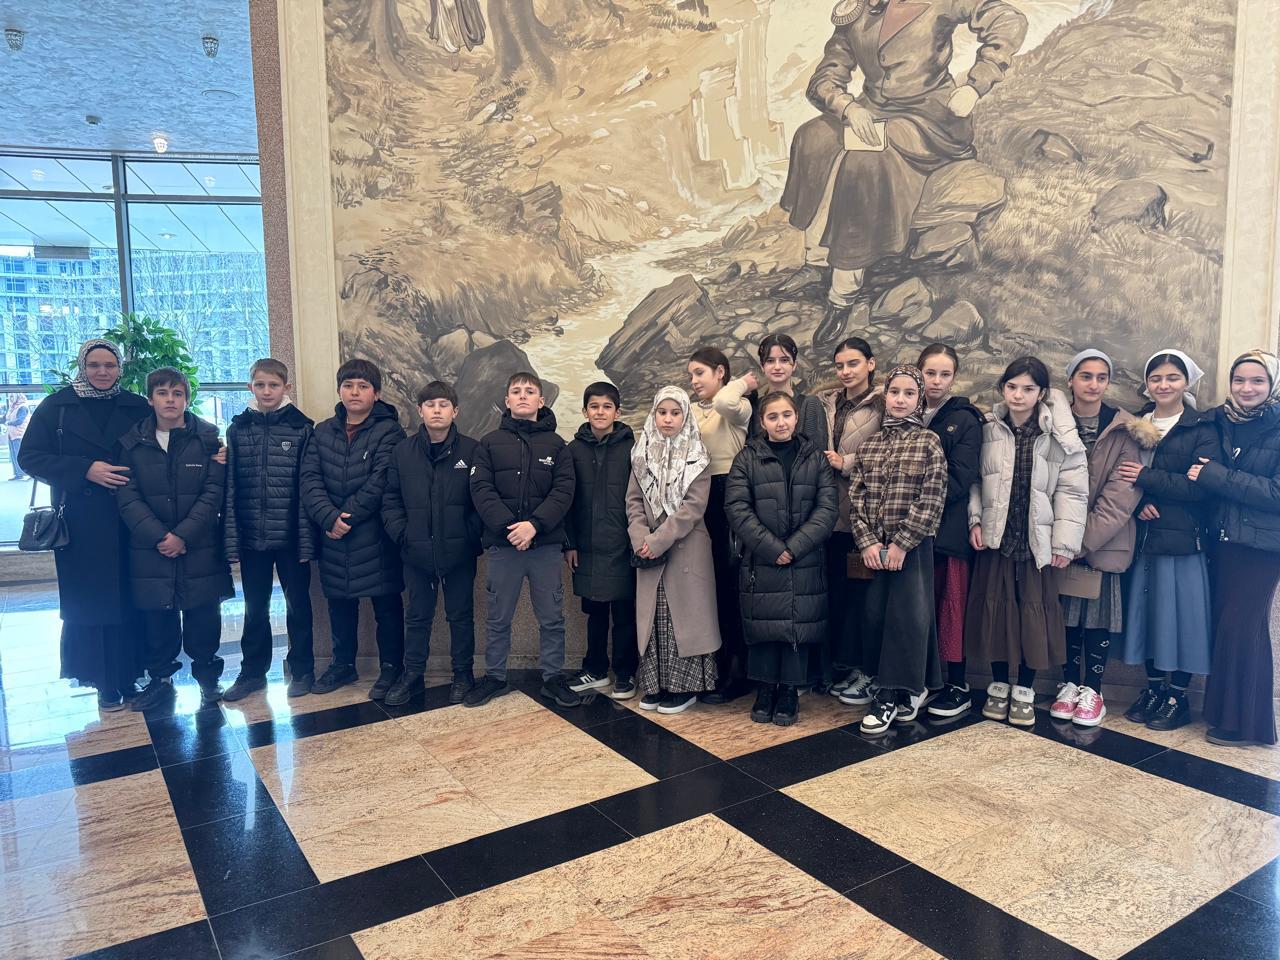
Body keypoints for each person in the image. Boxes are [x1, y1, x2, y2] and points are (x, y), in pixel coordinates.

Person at [775, 0, 1028, 343]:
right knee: (812, 137)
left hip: (930, 120)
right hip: (871, 111)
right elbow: (826, 77)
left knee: (864, 161)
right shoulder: (860, 10)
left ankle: (842, 294)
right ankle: (817, 262)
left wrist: (974, 85)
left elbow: (1009, 20)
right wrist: (848, 107)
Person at [18, 339, 151, 711]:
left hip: (130, 517)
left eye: (110, 365)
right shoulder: (57, 407)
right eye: (94, 365)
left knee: (131, 597)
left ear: (120, 368)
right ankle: (103, 680)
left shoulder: (137, 406)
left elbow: (166, 444)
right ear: (82, 366)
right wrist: (84, 469)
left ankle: (130, 673)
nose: (102, 372)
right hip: (81, 521)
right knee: (92, 601)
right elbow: (30, 456)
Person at [966, 357, 1087, 727]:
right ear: (1003, 388)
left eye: (1028, 388)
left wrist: (1064, 544)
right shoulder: (989, 428)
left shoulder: (1057, 435)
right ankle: (999, 685)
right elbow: (976, 480)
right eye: (1012, 387)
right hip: (998, 537)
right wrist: (975, 519)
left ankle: (1025, 690)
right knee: (997, 611)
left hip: (1038, 540)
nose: (1018, 395)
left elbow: (1072, 491)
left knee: (1033, 613)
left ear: (1042, 393)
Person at [1049, 350, 1155, 727]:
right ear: (1071, 381)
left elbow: (1120, 499)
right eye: (1085, 376)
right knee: (1065, 617)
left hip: (1103, 543)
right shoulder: (1052, 422)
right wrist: (1059, 537)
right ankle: (1067, 684)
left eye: (1101, 377)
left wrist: (1077, 544)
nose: (1093, 384)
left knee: (1096, 619)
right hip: (1057, 540)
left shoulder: (1125, 430)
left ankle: (1093, 690)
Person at [117, 367, 233, 711]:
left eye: (177, 393)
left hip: (199, 545)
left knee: (203, 616)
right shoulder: (131, 443)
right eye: (163, 393)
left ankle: (208, 677)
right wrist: (160, 536)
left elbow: (213, 492)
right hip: (150, 548)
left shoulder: (208, 439)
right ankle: (160, 680)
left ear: (187, 399)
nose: (170, 400)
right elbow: (127, 497)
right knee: (157, 617)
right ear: (150, 399)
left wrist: (183, 535)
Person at [467, 372, 580, 708]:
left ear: (541, 401)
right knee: (497, 618)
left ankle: (553, 678)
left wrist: (534, 526)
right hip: (504, 547)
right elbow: (481, 490)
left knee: (552, 618)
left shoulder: (558, 445)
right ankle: (495, 677)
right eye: (515, 391)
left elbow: (564, 491)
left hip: (545, 546)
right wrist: (511, 529)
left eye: (529, 391)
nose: (522, 396)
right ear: (507, 401)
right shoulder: (489, 443)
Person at [1118, 350, 1216, 732]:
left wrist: (1146, 480)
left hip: (1183, 539)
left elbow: (1201, 487)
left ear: (1186, 382)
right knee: (1149, 616)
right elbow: (1120, 477)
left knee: (1183, 619)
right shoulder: (1135, 423)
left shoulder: (1200, 427)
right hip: (1144, 537)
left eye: (1172, 377)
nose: (1164, 385)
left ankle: (1178, 696)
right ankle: (1155, 689)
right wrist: (1139, 501)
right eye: (1156, 378)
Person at [726, 393, 838, 726]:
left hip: (805, 559)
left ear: (796, 417)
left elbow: (827, 508)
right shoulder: (747, 458)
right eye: (773, 417)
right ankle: (764, 689)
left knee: (797, 626)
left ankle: (789, 691)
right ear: (762, 422)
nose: (781, 422)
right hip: (762, 559)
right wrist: (773, 548)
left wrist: (795, 546)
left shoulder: (814, 458)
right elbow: (737, 507)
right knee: (763, 625)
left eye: (787, 415)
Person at [848, 365, 948, 733]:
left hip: (911, 548)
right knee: (875, 615)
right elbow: (856, 497)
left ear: (919, 399)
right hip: (875, 550)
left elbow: (932, 496)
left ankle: (891, 694)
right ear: (885, 397)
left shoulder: (928, 442)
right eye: (894, 392)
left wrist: (903, 543)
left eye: (909, 393)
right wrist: (868, 542)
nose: (900, 400)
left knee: (906, 620)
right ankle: (887, 683)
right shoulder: (870, 444)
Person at [300, 359, 406, 699]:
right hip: (332, 534)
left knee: (386, 605)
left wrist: (346, 517)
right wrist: (328, 517)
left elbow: (382, 480)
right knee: (339, 603)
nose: (355, 392)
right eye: (348, 386)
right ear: (339, 391)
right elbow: (309, 479)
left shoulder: (390, 432)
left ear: (376, 393)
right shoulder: (322, 431)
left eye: (363, 386)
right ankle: (343, 664)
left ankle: (392, 667)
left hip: (375, 533)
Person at [1195, 351, 1280, 746]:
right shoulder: (1219, 420)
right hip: (1222, 540)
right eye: (1239, 380)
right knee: (1228, 627)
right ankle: (1230, 716)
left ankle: (1243, 724)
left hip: (1261, 548)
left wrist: (1216, 476)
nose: (1247, 388)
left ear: (1272, 384)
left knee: (1241, 627)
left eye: (1257, 380)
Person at [382, 380, 482, 706]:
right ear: (420, 411)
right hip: (415, 551)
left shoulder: (472, 451)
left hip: (459, 552)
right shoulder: (403, 452)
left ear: (455, 411)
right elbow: (390, 499)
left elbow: (482, 501)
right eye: (430, 405)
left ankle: (463, 674)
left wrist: (469, 537)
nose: (436, 411)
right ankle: (412, 674)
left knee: (461, 616)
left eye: (443, 405)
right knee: (417, 616)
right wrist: (403, 535)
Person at [222, 359, 316, 701]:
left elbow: (307, 489)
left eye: (273, 385)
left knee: (298, 605)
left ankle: (302, 670)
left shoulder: (302, 428)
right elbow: (231, 488)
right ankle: (252, 673)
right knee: (255, 607)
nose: (266, 391)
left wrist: (305, 540)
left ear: (286, 388)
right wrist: (232, 537)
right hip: (252, 536)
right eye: (260, 385)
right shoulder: (238, 429)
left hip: (290, 536)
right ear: (251, 387)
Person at [628, 386, 721, 713]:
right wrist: (640, 537)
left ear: (685, 416)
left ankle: (686, 688)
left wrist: (658, 540)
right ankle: (656, 685)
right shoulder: (641, 454)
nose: (668, 419)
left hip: (685, 548)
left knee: (683, 618)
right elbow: (633, 502)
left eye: (675, 413)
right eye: (662, 412)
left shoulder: (698, 456)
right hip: (648, 549)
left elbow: (693, 508)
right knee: (655, 617)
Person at [917, 343, 984, 719]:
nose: (936, 381)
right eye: (930, 373)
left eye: (945, 374)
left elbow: (960, 477)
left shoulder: (965, 419)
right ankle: (924, 680)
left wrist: (915, 500)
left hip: (948, 528)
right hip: (910, 532)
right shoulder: (906, 410)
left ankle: (958, 684)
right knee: (918, 607)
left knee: (950, 605)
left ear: (954, 377)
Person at [815, 337, 882, 703]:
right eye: (839, 365)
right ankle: (840, 667)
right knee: (837, 596)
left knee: (864, 600)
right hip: (828, 516)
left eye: (853, 363)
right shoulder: (825, 403)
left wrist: (847, 462)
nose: (845, 371)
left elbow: (888, 453)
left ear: (870, 364)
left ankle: (865, 670)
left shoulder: (883, 403)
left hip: (864, 516)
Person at [563, 382, 639, 700]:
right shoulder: (573, 450)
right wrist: (570, 544)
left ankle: (625, 673)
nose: (600, 412)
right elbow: (566, 500)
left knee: (624, 613)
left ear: (617, 412)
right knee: (594, 612)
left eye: (607, 406)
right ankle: (595, 669)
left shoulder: (633, 448)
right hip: (587, 546)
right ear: (585, 411)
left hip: (623, 544)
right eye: (594, 406)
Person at [690, 346, 753, 703]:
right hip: (700, 497)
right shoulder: (691, 410)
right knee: (709, 585)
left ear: (720, 372)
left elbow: (725, 401)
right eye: (691, 375)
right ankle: (713, 667)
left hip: (730, 492)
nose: (693, 380)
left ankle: (738, 672)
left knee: (731, 585)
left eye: (699, 373)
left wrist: (741, 382)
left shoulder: (736, 406)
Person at [746, 334, 829, 449]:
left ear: (794, 365)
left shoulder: (809, 405)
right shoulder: (753, 406)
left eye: (784, 360)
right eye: (770, 361)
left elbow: (818, 452)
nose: (777, 367)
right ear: (762, 366)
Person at [6, 393, 30, 479]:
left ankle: (25, 473)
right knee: (13, 456)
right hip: (11, 435)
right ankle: (18, 474)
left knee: (19, 455)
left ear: (18, 396)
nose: (11, 399)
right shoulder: (13, 408)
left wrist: (9, 423)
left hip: (19, 434)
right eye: (10, 397)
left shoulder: (22, 407)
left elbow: (20, 421)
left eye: (12, 396)